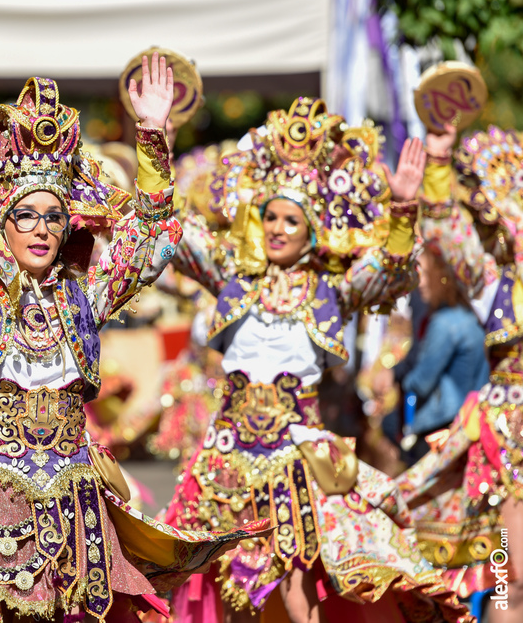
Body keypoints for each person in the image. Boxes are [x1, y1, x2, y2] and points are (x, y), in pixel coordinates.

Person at [0, 54, 269, 623]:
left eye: (53, 217)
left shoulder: (83, 297)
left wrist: (153, 136)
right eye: (26, 216)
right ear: (0, 224)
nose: (41, 229)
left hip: (74, 491)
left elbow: (151, 241)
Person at [161, 99, 469, 623]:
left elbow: (388, 272)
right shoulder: (233, 279)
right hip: (223, 457)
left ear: (312, 230)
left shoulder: (328, 292)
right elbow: (173, 231)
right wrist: (157, 145)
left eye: (291, 220)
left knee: (295, 583)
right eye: (271, 217)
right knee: (210, 575)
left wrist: (400, 211)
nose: (278, 228)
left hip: (294, 459)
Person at [396, 123, 523, 622]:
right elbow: (449, 232)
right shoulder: (499, 288)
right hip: (507, 446)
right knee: (506, 575)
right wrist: (440, 164)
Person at [388, 247, 489, 464]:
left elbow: (422, 382)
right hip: (470, 421)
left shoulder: (444, 323)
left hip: (443, 424)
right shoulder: (470, 316)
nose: (420, 282)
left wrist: (400, 379)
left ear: (443, 277)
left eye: (425, 274)